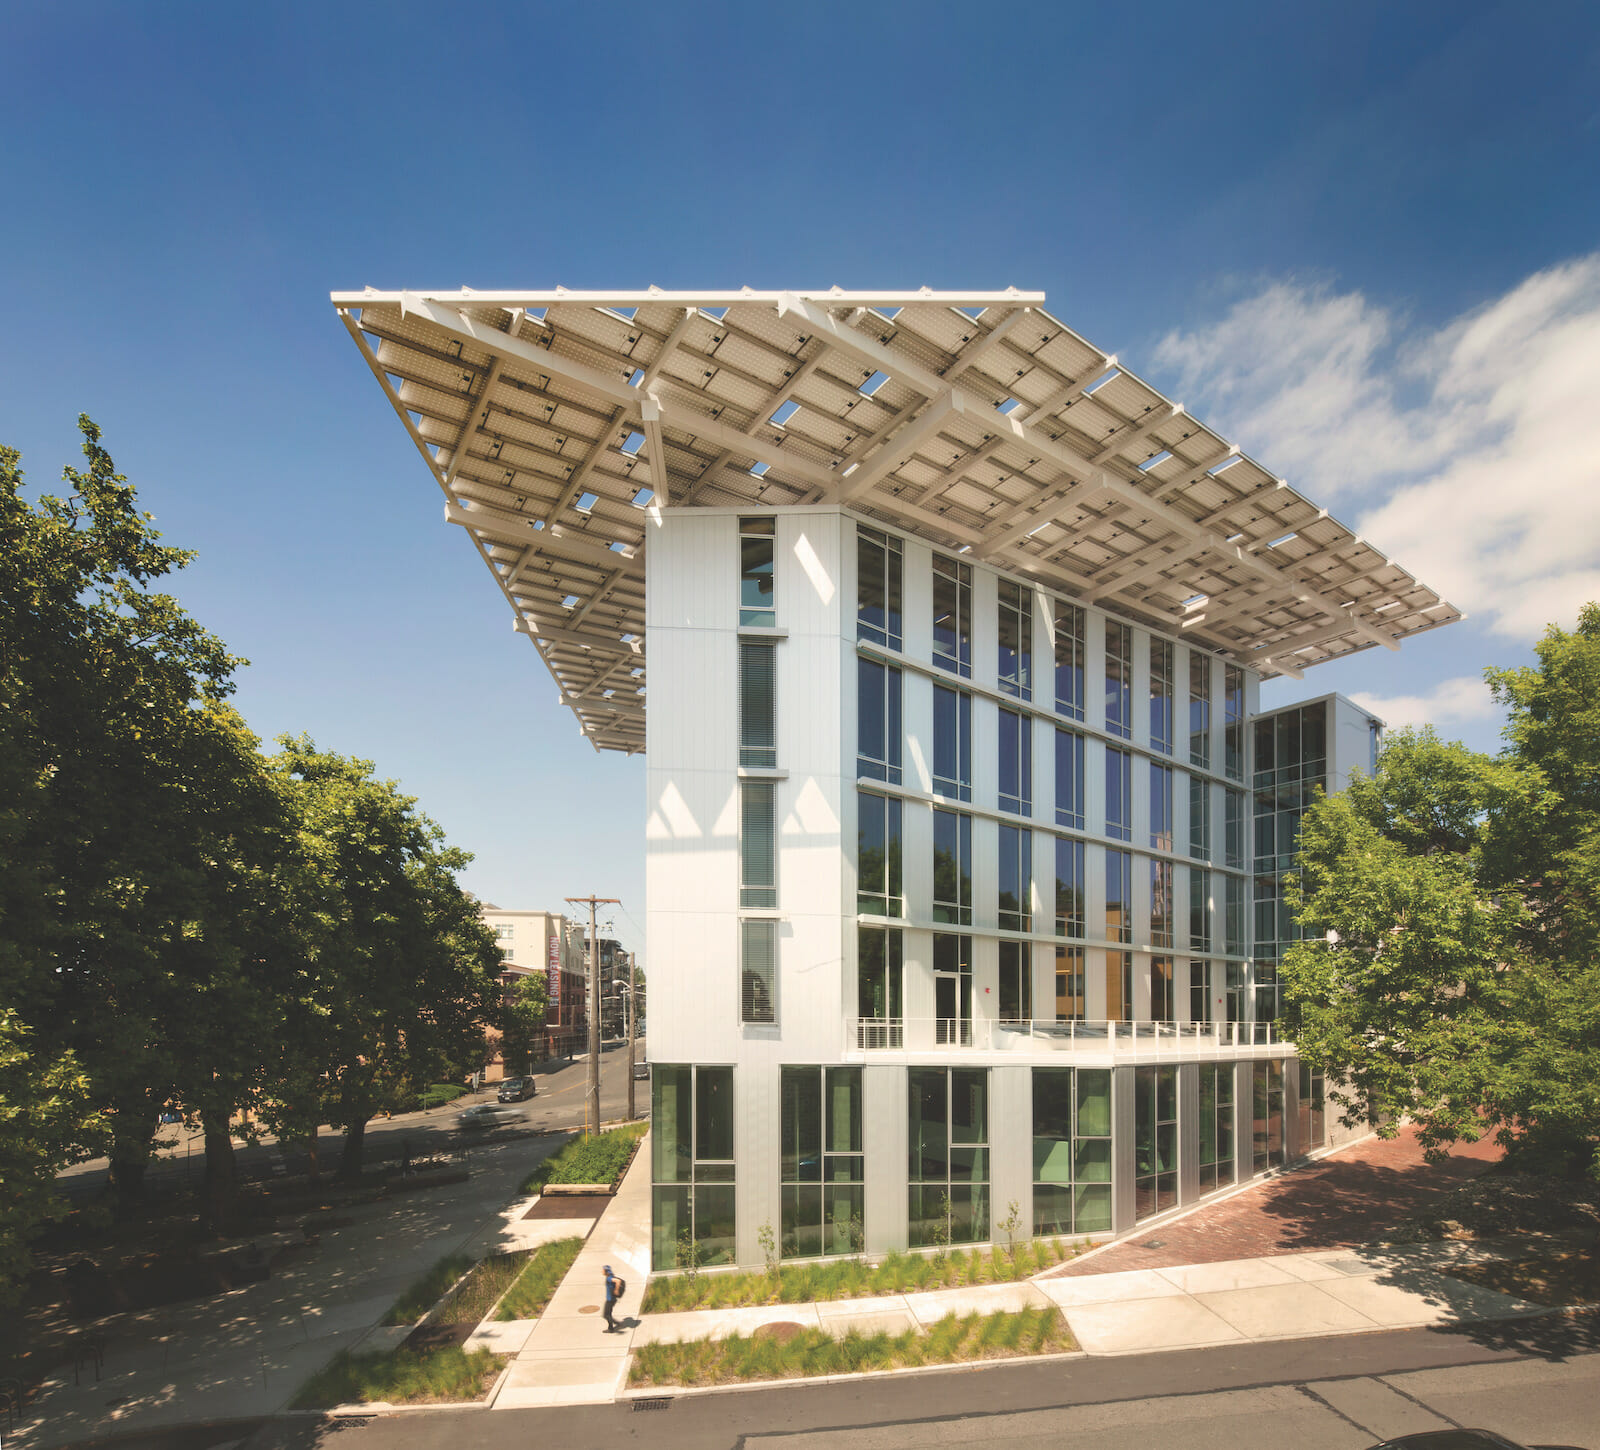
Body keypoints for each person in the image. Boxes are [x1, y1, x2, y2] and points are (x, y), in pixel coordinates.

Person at [603, 1264, 620, 1332]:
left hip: (610, 1300)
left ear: (606, 1271)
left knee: (606, 1315)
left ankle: (616, 1323)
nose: (602, 1271)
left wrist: (616, 1290)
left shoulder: (609, 1278)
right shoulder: (610, 1276)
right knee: (608, 1314)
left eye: (603, 1270)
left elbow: (618, 1281)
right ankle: (611, 1328)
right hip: (612, 1299)